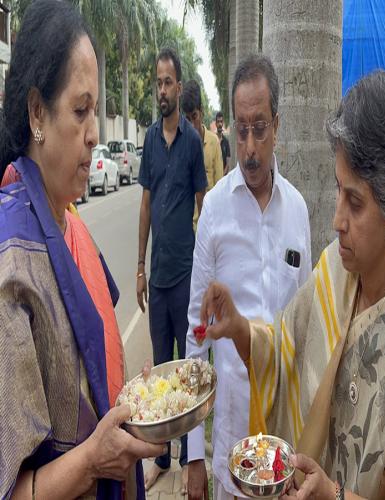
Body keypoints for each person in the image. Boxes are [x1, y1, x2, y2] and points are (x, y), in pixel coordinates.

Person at [201, 71, 385, 499]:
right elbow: (283, 351)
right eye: (338, 190)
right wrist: (239, 327)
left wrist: (331, 495)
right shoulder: (336, 270)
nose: (337, 221)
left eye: (355, 202)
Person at [0, 2, 165, 499]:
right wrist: (94, 460)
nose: (95, 133)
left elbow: (93, 374)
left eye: (95, 110)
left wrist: (137, 404)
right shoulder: (12, 261)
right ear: (36, 113)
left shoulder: (67, 224)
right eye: (80, 110)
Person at [187, 54, 312, 500]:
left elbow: (306, 327)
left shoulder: (297, 211)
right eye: (241, 130)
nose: (250, 147)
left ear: (276, 125)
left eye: (260, 129)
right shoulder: (216, 210)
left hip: (285, 446)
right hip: (231, 448)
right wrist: (193, 457)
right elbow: (195, 337)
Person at [137, 48, 207, 493]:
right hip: (158, 279)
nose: (161, 90)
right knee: (162, 372)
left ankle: (186, 458)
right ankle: (162, 457)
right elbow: (145, 203)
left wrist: (208, 266)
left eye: (167, 82)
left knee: (186, 367)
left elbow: (204, 203)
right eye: (157, 82)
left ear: (179, 87)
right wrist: (139, 268)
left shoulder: (194, 142)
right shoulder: (147, 140)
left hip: (185, 275)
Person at [181, 79, 224, 230]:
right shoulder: (179, 145)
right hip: (185, 231)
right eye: (187, 119)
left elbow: (220, 189)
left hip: (207, 228)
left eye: (194, 116)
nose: (191, 125)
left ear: (202, 112)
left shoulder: (214, 143)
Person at [215, 110, 231, 175]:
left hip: (224, 177)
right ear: (215, 124)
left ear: (223, 123)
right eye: (218, 122)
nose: (220, 124)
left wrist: (222, 176)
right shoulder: (212, 141)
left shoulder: (226, 142)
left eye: (221, 122)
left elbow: (228, 164)